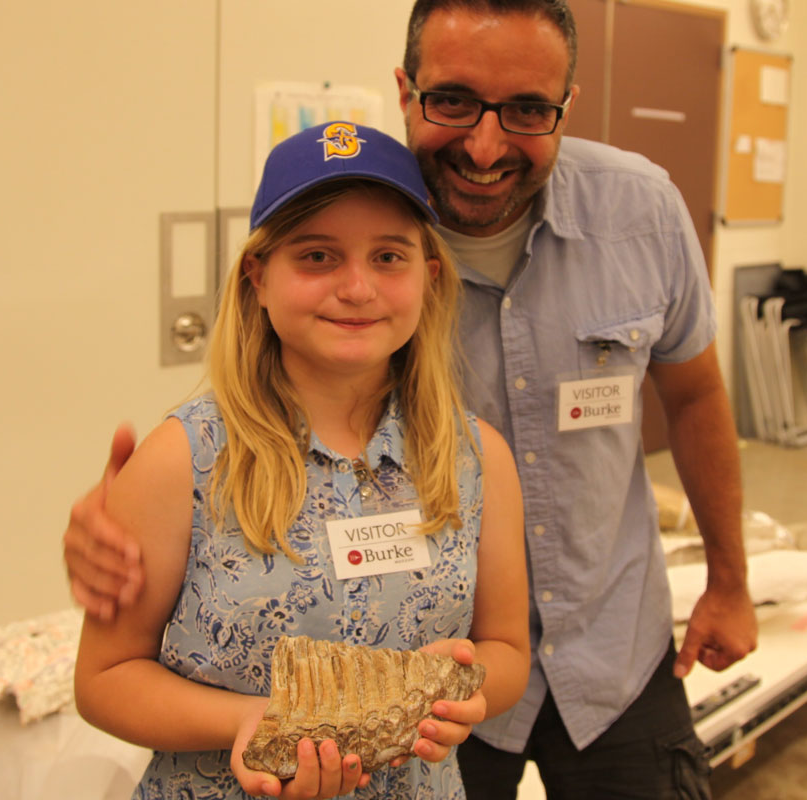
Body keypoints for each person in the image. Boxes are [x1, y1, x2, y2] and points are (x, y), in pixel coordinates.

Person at [68, 1, 759, 797]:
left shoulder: (639, 219)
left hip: (612, 656)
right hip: (448, 732)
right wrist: (118, 534)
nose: (487, 143)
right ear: (406, 89)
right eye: (455, 100)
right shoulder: (376, 214)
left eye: (529, 110)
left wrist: (731, 581)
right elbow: (116, 658)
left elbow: (699, 396)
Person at [73, 121, 530, 800]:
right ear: (258, 276)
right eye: (317, 257)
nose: (356, 287)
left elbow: (508, 652)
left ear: (430, 277)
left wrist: (466, 688)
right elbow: (104, 680)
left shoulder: (474, 458)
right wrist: (249, 722)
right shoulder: (185, 461)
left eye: (388, 257)